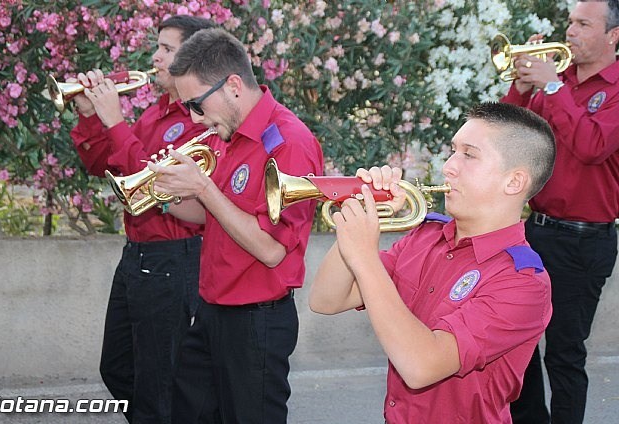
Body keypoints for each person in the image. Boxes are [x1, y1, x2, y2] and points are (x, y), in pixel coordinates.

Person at [309, 102, 556, 423]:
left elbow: (421, 366)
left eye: (469, 155)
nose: (448, 166)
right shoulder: (427, 236)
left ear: (514, 182)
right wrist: (357, 208)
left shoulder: (524, 281)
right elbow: (326, 300)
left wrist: (364, 257)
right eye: (452, 151)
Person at [146, 28, 324, 423]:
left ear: (233, 86)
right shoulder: (223, 133)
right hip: (212, 309)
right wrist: (166, 195)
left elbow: (271, 249)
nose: (193, 117)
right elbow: (210, 217)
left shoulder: (288, 143)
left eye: (196, 103)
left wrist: (204, 189)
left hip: (255, 320)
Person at [69, 15, 216, 424]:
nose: (155, 57)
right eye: (159, 47)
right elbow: (103, 165)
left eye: (168, 50)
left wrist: (115, 121)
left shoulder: (197, 123)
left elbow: (152, 183)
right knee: (117, 369)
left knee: (158, 383)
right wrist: (89, 117)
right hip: (137, 256)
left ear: (195, 60)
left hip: (173, 257)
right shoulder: (154, 115)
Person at [500, 1, 619, 423]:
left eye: (583, 23)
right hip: (536, 230)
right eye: (570, 22)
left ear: (614, 36)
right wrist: (523, 85)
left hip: (586, 241)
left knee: (565, 354)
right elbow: (510, 135)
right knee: (518, 345)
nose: (570, 31)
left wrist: (552, 88)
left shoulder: (613, 88)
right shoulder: (559, 81)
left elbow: (592, 148)